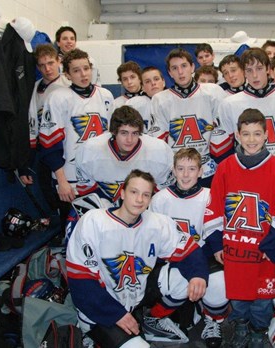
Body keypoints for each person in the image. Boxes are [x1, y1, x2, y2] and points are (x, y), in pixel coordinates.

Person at [66, 169, 209, 347]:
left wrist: (198, 275)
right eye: (134, 192)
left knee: (188, 278)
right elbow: (81, 282)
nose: (139, 199)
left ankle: (153, 320)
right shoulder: (93, 222)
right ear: (123, 193)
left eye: (146, 195)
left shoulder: (157, 223)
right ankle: (90, 336)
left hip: (134, 296)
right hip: (98, 309)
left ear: (150, 199)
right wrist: (115, 314)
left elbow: (190, 250)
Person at [204, 109, 275, 348]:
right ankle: (241, 328)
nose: (252, 139)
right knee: (238, 298)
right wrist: (215, 242)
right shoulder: (225, 168)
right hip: (235, 249)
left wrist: (273, 242)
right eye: (246, 134)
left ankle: (258, 332)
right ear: (237, 135)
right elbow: (213, 207)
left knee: (263, 301)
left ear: (267, 135)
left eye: (257, 134)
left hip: (264, 250)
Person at [150, 148, 229, 348]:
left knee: (220, 284)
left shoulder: (211, 196)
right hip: (172, 258)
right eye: (181, 169)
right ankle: (155, 317)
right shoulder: (160, 199)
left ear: (201, 172)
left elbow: (216, 235)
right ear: (173, 171)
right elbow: (155, 238)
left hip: (204, 257)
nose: (186, 175)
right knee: (177, 281)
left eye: (192, 169)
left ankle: (212, 320)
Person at [39, 48, 114, 212]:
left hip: (102, 175)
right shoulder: (58, 98)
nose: (83, 74)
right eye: (76, 70)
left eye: (86, 68)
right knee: (73, 227)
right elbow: (49, 145)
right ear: (67, 74)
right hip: (71, 177)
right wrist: (61, 181)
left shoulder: (106, 96)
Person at [148, 48, 226, 188]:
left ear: (192, 67)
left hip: (207, 170)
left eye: (184, 66)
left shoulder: (212, 92)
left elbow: (220, 132)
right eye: (175, 68)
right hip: (177, 171)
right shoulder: (160, 100)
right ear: (170, 73)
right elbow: (159, 140)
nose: (180, 71)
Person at [213, 48, 275, 160]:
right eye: (249, 70)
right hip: (248, 169)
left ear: (268, 69)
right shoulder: (229, 104)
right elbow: (221, 149)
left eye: (259, 68)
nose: (255, 75)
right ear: (244, 72)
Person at [75, 105, 174, 204]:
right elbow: (85, 189)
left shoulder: (159, 150)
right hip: (104, 208)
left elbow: (165, 193)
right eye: (124, 133)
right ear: (113, 131)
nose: (129, 140)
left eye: (134, 133)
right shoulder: (90, 150)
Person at [20, 44, 70, 220]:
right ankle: (61, 224)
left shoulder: (68, 85)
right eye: (42, 65)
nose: (47, 69)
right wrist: (27, 162)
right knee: (46, 187)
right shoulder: (35, 87)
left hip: (64, 146)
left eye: (50, 63)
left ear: (59, 61)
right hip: (44, 147)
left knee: (65, 187)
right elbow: (32, 125)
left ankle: (67, 227)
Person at [125, 66, 166, 133]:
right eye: (147, 81)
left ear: (163, 82)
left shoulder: (174, 101)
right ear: (143, 87)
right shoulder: (134, 104)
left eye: (156, 79)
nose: (153, 83)